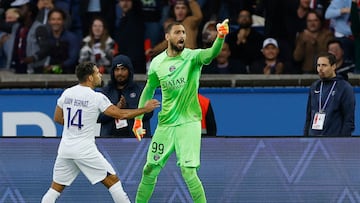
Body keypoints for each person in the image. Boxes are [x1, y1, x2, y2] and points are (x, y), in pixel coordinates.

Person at [131, 19, 229, 202]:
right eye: (177, 32)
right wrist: (138, 119)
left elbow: (210, 53)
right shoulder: (157, 63)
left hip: (189, 122)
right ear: (167, 36)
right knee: (149, 169)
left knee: (188, 171)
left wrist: (220, 38)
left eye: (183, 32)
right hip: (166, 124)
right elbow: (149, 90)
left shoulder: (192, 58)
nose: (182, 36)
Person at [40, 61, 160, 203]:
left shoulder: (67, 93)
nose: (100, 75)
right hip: (84, 149)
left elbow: (58, 118)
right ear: (90, 78)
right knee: (113, 181)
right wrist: (144, 110)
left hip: (66, 149)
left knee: (55, 189)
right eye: (97, 72)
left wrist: (78, 125)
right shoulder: (96, 97)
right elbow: (120, 114)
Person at [98, 54, 154, 137]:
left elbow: (148, 113)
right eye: (117, 70)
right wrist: (115, 109)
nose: (120, 73)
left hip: (136, 141)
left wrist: (127, 108)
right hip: (108, 142)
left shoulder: (140, 91)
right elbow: (98, 117)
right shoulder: (106, 92)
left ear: (129, 70)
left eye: (123, 69)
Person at [304, 52, 355, 136]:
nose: (320, 68)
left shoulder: (344, 87)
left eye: (324, 65)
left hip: (333, 141)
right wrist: (305, 138)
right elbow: (309, 117)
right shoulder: (315, 86)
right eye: (318, 65)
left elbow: (348, 120)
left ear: (333, 66)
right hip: (313, 140)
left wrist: (343, 142)